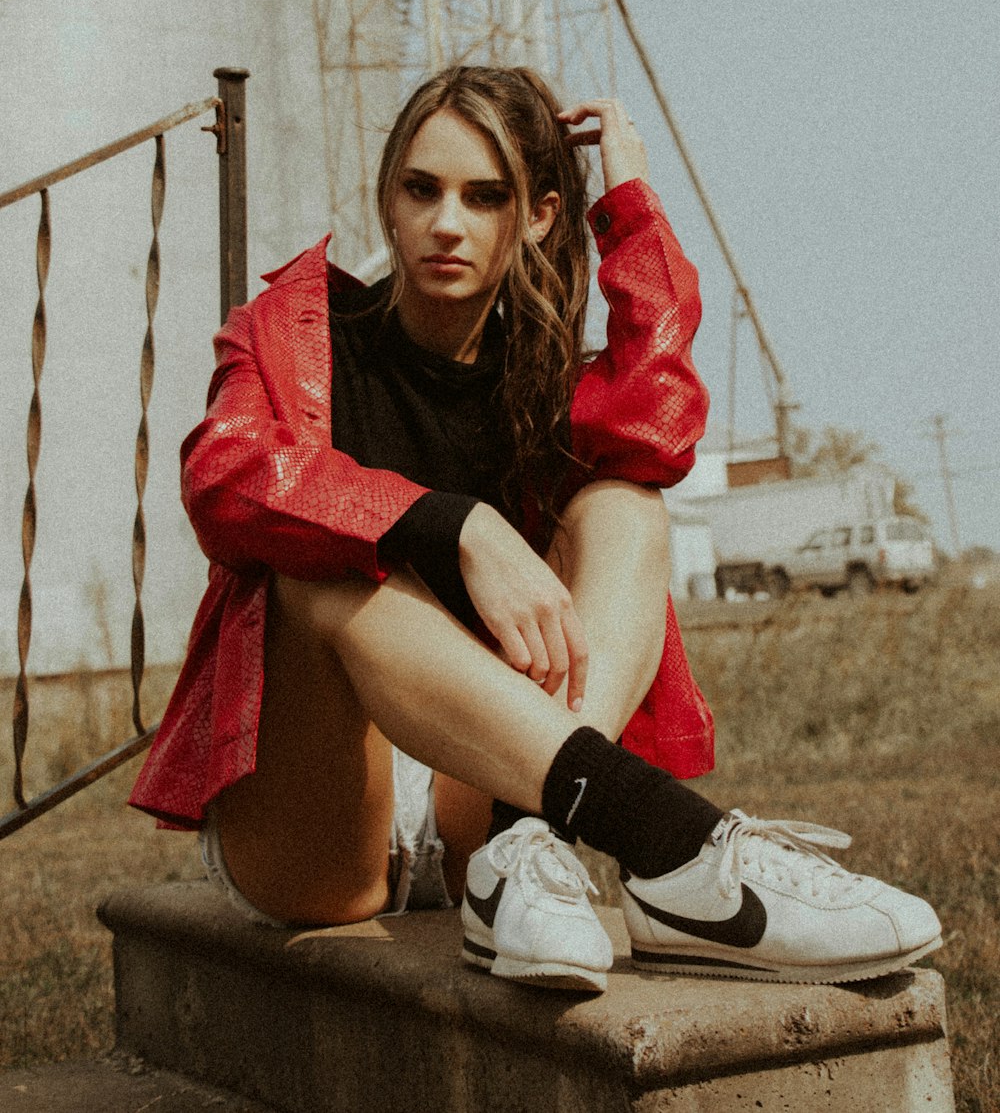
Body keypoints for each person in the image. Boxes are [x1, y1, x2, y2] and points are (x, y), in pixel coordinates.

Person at [131, 65, 941, 993]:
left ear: (540, 214)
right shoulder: (293, 331)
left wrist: (630, 204)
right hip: (317, 831)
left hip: (489, 789)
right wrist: (451, 525)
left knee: (627, 505)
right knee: (323, 567)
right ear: (388, 200)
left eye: (486, 197)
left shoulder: (543, 376)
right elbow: (224, 477)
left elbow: (657, 432)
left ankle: (529, 850)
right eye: (421, 190)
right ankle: (671, 842)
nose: (447, 224)